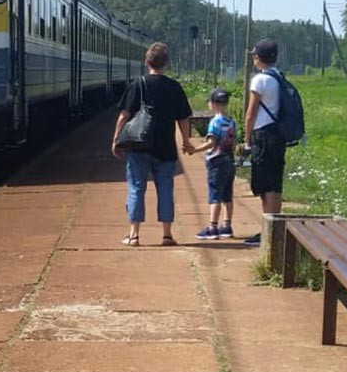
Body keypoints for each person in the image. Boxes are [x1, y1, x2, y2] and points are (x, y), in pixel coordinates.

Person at [110, 42, 195, 246]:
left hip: (139, 145)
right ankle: (166, 235)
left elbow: (124, 115)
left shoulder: (137, 84)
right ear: (167, 63)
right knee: (165, 189)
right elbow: (184, 118)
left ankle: (134, 234)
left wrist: (116, 140)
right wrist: (185, 141)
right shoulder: (174, 87)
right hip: (165, 147)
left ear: (146, 62)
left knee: (136, 187)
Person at [242, 38, 286, 247]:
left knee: (264, 184)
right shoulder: (279, 76)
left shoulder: (259, 80)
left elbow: (251, 113)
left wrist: (247, 139)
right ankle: (275, 227)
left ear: (258, 58)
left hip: (263, 135)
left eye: (254, 55)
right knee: (275, 184)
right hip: (278, 135)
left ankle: (268, 232)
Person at [195, 87, 236, 240]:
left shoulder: (214, 122)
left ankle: (212, 227)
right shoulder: (231, 121)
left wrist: (195, 150)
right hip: (229, 161)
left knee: (215, 195)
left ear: (213, 103)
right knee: (227, 195)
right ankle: (226, 226)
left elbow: (212, 143)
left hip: (216, 162)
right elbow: (233, 143)